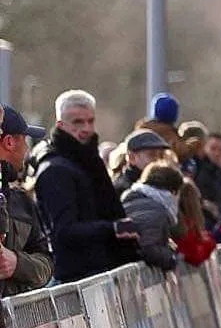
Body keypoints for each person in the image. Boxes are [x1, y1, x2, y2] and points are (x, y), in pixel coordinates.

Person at [35, 90, 141, 284]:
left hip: (99, 273)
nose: (86, 128)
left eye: (90, 121)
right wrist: (112, 228)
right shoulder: (55, 170)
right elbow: (64, 231)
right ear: (61, 125)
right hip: (76, 279)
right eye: (77, 122)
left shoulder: (90, 162)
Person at [0, 106, 52, 299]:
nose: (28, 149)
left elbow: (46, 263)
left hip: (14, 326)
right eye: (25, 140)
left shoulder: (22, 201)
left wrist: (17, 264)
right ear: (9, 142)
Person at [120, 163, 184, 272]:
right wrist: (171, 258)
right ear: (174, 192)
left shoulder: (131, 200)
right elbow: (147, 247)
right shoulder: (157, 211)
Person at [113, 130, 173, 195]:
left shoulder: (167, 184)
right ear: (132, 158)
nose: (158, 160)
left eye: (162, 155)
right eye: (152, 155)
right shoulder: (121, 189)